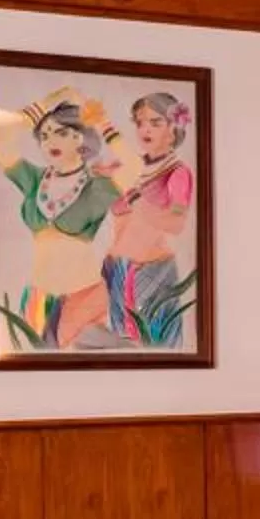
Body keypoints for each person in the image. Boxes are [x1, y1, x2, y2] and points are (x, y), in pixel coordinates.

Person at [0, 89, 121, 350]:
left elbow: (135, 167)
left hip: (83, 298)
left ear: (82, 137)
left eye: (60, 132)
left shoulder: (98, 184)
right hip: (38, 300)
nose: (50, 141)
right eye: (44, 135)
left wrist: (103, 123)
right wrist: (49, 102)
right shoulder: (34, 179)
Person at [102, 91, 197, 348]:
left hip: (153, 271)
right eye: (140, 123)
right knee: (123, 351)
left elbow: (176, 224)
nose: (145, 129)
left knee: (154, 347)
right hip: (116, 269)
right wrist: (107, 181)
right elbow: (118, 212)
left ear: (173, 129)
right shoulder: (130, 166)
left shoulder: (177, 173)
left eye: (155, 122)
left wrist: (136, 197)